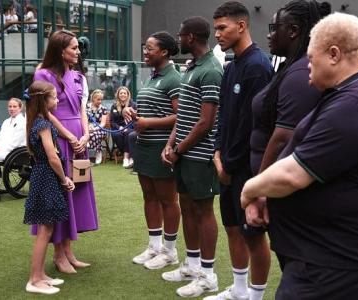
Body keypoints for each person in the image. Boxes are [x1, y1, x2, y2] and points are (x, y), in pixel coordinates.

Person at [241, 13, 358, 299]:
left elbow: (293, 174)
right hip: (322, 251)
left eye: (312, 59)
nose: (308, 70)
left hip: (334, 256)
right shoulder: (355, 91)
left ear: (334, 54)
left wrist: (250, 189)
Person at [204, 2, 274, 300]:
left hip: (247, 168)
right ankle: (239, 290)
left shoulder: (258, 66)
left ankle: (255, 296)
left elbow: (253, 128)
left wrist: (229, 165)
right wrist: (218, 153)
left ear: (242, 26)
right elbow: (224, 118)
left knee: (254, 235)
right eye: (216, 28)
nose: (217, 34)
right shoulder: (231, 66)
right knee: (233, 227)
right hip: (227, 165)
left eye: (222, 28)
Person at [160, 16, 223, 298]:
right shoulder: (192, 67)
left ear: (193, 37)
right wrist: (171, 144)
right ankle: (192, 265)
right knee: (187, 208)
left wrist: (179, 149)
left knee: (203, 211)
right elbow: (184, 115)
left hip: (199, 155)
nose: (178, 39)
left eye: (181, 34)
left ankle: (208, 276)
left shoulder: (211, 70)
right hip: (184, 153)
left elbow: (206, 122)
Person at [33, 29, 98, 274]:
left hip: (78, 141)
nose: (78, 51)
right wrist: (69, 136)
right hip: (58, 139)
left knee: (75, 195)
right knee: (60, 195)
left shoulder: (78, 76)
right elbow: (45, 111)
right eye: (74, 48)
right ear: (61, 50)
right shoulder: (43, 73)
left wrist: (85, 134)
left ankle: (69, 252)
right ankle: (59, 256)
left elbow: (82, 109)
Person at [127, 31, 181, 272]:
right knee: (149, 196)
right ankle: (154, 246)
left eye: (149, 49)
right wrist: (134, 113)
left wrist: (147, 123)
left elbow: (181, 116)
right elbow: (152, 110)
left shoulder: (174, 78)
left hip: (162, 148)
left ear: (164, 52)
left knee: (168, 200)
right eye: (145, 48)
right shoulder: (152, 77)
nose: (145, 52)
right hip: (144, 146)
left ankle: (170, 252)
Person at [23, 80, 74, 295]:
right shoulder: (43, 124)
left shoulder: (39, 121)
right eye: (53, 97)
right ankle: (34, 280)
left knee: (48, 228)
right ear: (44, 100)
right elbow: (53, 157)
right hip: (46, 177)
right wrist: (64, 179)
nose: (57, 100)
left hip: (44, 177)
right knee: (44, 231)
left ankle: (41, 274)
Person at [110, 86, 137, 168]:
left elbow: (135, 120)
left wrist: (126, 128)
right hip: (118, 129)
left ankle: (126, 158)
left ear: (128, 95)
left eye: (124, 93)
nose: (123, 95)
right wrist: (119, 128)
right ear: (118, 95)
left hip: (130, 127)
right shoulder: (114, 106)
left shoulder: (133, 105)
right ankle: (129, 155)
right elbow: (112, 122)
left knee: (128, 134)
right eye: (121, 93)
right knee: (116, 135)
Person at [86, 89, 108, 165]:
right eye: (98, 99)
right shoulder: (86, 107)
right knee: (87, 134)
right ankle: (95, 151)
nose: (100, 101)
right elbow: (84, 120)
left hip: (100, 129)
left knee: (93, 135)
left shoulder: (103, 109)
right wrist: (88, 126)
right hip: (87, 127)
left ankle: (97, 151)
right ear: (93, 98)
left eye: (101, 100)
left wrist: (95, 129)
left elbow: (103, 124)